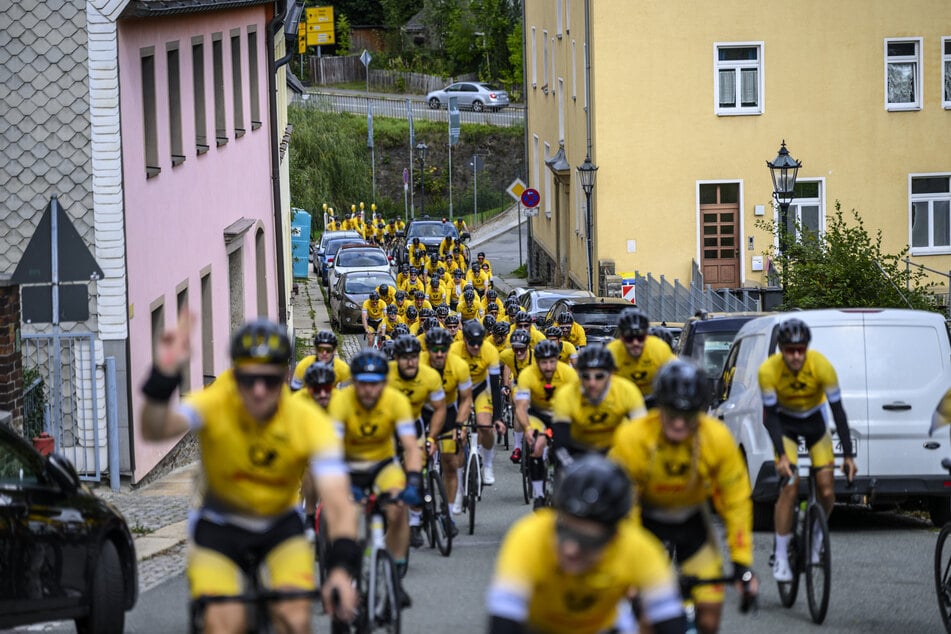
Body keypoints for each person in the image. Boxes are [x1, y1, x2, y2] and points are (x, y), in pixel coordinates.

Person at [140, 317, 359, 631]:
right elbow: (155, 427)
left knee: (296, 617)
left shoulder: (306, 418)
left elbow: (338, 501)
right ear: (235, 376)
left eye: (269, 381)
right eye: (248, 379)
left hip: (279, 526)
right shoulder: (218, 400)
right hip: (220, 526)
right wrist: (164, 373)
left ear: (285, 376)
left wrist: (340, 568)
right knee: (222, 621)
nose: (258, 391)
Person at [609, 361, 757, 634]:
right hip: (645, 524)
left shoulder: (717, 439)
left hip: (692, 524)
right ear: (660, 406)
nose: (678, 422)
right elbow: (620, 506)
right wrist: (625, 566)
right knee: (647, 617)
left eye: (687, 415)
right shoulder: (633, 438)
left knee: (709, 619)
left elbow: (735, 503)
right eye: (672, 412)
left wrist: (742, 563)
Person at [485, 454, 685, 634]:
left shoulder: (638, 547)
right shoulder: (529, 535)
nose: (570, 548)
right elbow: (503, 621)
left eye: (587, 541)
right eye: (564, 532)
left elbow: (670, 620)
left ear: (615, 537)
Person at [758, 318, 857, 582]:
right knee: (790, 483)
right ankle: (780, 554)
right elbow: (770, 418)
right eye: (790, 350)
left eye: (801, 349)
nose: (796, 355)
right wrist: (781, 455)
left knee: (826, 489)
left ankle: (815, 538)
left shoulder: (821, 366)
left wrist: (848, 455)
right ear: (781, 349)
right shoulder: (768, 371)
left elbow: (838, 412)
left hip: (815, 424)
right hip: (785, 425)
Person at [327, 350, 423, 606]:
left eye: (375, 383)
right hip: (349, 465)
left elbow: (411, 447)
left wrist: (413, 479)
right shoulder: (341, 401)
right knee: (345, 514)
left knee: (398, 509)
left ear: (384, 382)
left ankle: (395, 576)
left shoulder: (396, 401)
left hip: (383, 465)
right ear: (354, 382)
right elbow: (331, 448)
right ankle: (345, 572)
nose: (369, 390)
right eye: (362, 383)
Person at [387, 335, 447, 549]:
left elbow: (440, 408)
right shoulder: (387, 375)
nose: (411, 362)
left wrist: (432, 437)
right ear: (396, 358)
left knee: (418, 468)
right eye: (405, 358)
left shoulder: (430, 376)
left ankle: (414, 523)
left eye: (414, 357)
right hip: (390, 428)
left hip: (415, 424)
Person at [514, 339, 579, 509]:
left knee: (565, 453)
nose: (549, 367)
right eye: (544, 363)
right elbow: (521, 407)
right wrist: (527, 429)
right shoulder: (527, 374)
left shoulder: (569, 374)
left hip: (561, 414)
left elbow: (578, 404)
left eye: (552, 362)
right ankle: (539, 495)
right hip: (538, 414)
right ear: (537, 362)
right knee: (536, 447)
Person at [551, 345, 645, 455]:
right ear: (579, 375)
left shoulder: (627, 390)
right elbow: (560, 440)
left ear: (610, 374)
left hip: (615, 448)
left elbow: (641, 432)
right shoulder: (565, 394)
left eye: (599, 376)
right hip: (579, 448)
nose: (592, 383)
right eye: (586, 376)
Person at [422, 327, 472, 523]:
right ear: (428, 349)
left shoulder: (459, 366)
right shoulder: (418, 364)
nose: (440, 353)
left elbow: (466, 399)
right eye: (435, 349)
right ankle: (416, 515)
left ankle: (448, 514)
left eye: (444, 349)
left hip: (449, 411)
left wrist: (460, 425)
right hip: (422, 410)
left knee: (450, 462)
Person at [450, 320, 504, 489]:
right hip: (460, 390)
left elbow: (495, 388)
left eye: (479, 342)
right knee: (460, 432)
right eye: (471, 343)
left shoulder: (490, 351)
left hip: (481, 388)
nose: (475, 346)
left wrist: (498, 417)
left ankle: (487, 465)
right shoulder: (454, 350)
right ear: (464, 340)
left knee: (485, 427)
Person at [607, 307, 675, 407]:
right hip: (624, 403)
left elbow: (676, 380)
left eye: (640, 338)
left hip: (655, 401)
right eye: (629, 338)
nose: (635, 343)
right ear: (621, 338)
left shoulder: (659, 348)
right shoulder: (611, 352)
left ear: (647, 336)